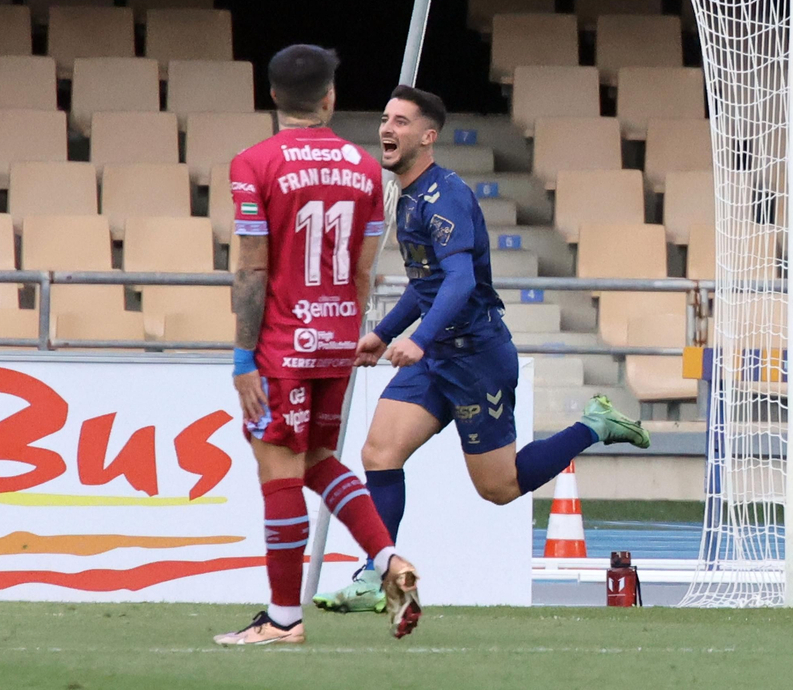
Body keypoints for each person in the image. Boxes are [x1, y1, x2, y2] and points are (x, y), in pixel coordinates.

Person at [314, 84, 652, 614]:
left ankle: (594, 425)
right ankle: (375, 572)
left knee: (498, 488)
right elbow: (426, 287)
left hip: (475, 358)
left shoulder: (443, 196)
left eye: (400, 122)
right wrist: (382, 335)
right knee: (379, 452)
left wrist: (419, 340)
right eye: (385, 118)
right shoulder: (407, 198)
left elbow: (459, 282)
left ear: (428, 137)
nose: (386, 129)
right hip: (438, 356)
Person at [215, 45, 421, 647]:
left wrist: (242, 357)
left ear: (273, 95)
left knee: (278, 471)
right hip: (339, 338)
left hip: (282, 341)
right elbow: (364, 270)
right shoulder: (365, 170)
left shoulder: (253, 163)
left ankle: (283, 619)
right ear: (330, 97)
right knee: (317, 463)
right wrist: (347, 330)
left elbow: (251, 270)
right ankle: (387, 562)